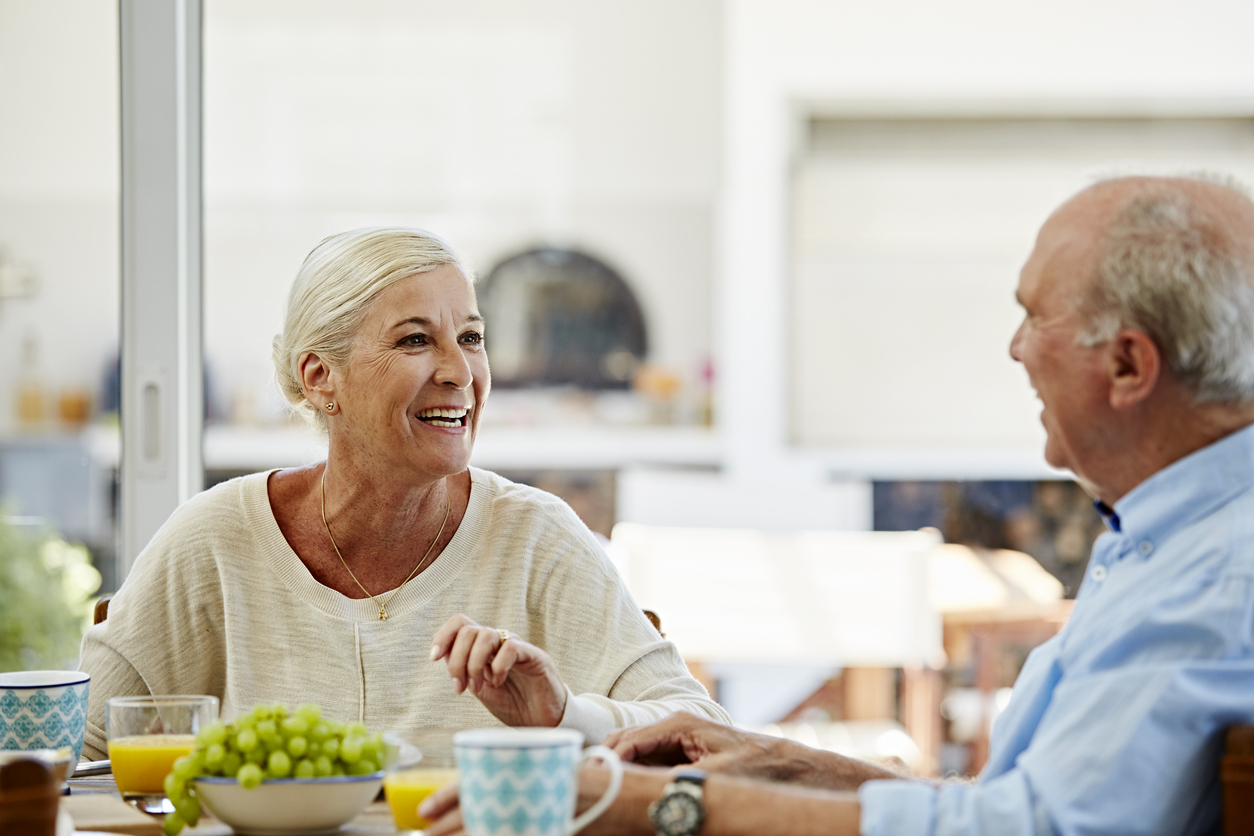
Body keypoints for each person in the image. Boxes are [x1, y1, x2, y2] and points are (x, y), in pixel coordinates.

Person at [422, 173, 1254, 836]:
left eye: (1034, 317)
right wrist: (780, 762)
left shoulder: (1214, 577)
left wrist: (664, 807)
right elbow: (1008, 806)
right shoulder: (1169, 535)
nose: (1014, 348)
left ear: (1129, 367)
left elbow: (1035, 829)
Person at [78, 226, 728, 760]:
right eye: (416, 340)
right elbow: (77, 744)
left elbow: (703, 732)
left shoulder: (535, 537)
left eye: (471, 338)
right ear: (320, 378)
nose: (460, 372)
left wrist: (565, 713)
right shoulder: (216, 538)